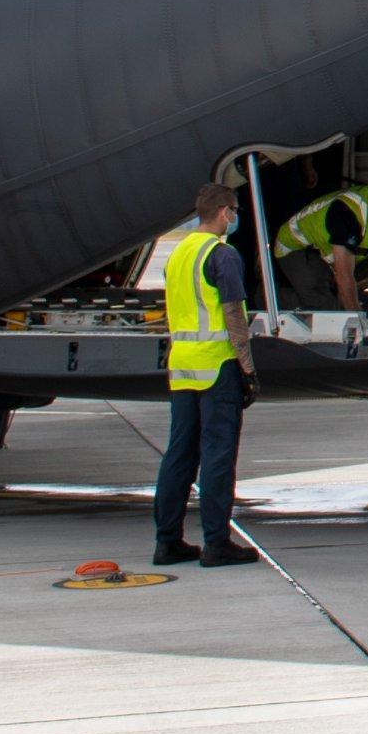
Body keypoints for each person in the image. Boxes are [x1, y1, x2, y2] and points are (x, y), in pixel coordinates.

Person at [152, 183, 259, 569]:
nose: (235, 218)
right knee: (217, 453)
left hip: (182, 367)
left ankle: (167, 543)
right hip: (217, 366)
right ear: (224, 212)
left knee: (179, 454)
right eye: (234, 212)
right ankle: (217, 543)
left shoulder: (177, 254)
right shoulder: (221, 254)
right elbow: (234, 314)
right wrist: (247, 368)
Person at [274, 178, 368, 311]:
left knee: (341, 306)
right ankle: (269, 299)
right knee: (324, 306)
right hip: (296, 245)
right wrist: (357, 319)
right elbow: (344, 274)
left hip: (323, 251)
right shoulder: (348, 210)